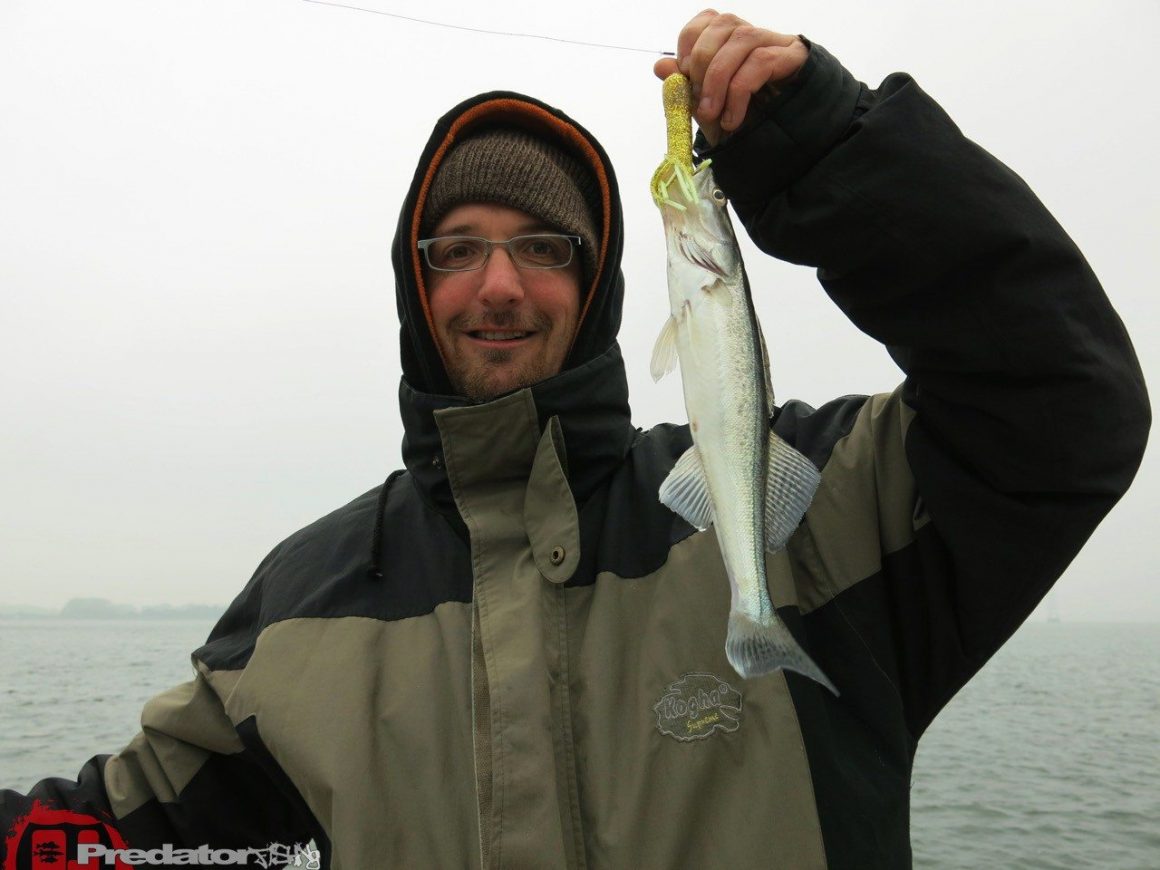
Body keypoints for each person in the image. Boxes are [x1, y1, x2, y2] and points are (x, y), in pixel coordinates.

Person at [1, 10, 1149, 869]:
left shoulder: (811, 517)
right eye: (455, 249)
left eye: (542, 245)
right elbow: (107, 828)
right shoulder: (300, 608)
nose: (496, 284)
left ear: (596, 281)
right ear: (416, 288)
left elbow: (1058, 406)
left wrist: (829, 151)